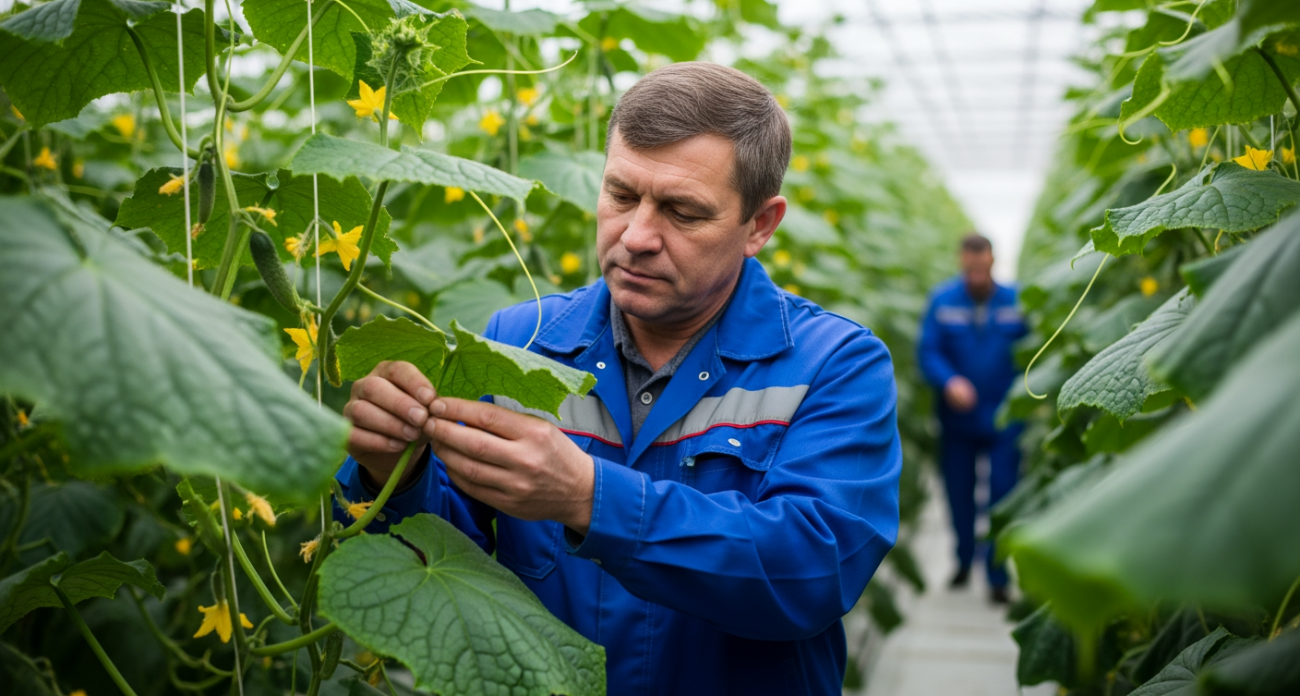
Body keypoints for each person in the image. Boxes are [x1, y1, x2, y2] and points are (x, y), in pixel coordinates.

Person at [336, 62, 902, 695]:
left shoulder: (834, 364)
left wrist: (588, 496)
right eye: (621, 195)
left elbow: (812, 571)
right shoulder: (518, 341)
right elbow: (446, 559)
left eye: (683, 212)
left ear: (760, 225)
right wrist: (396, 474)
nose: (636, 237)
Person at [917, 233, 1027, 604]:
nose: (976, 274)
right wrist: (949, 381)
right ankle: (964, 560)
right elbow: (929, 350)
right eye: (970, 267)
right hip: (958, 420)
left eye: (982, 267)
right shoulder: (943, 300)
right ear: (962, 263)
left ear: (993, 262)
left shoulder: (1017, 301)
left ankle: (997, 575)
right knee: (958, 494)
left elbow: (1034, 351)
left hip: (1004, 419)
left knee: (1003, 494)